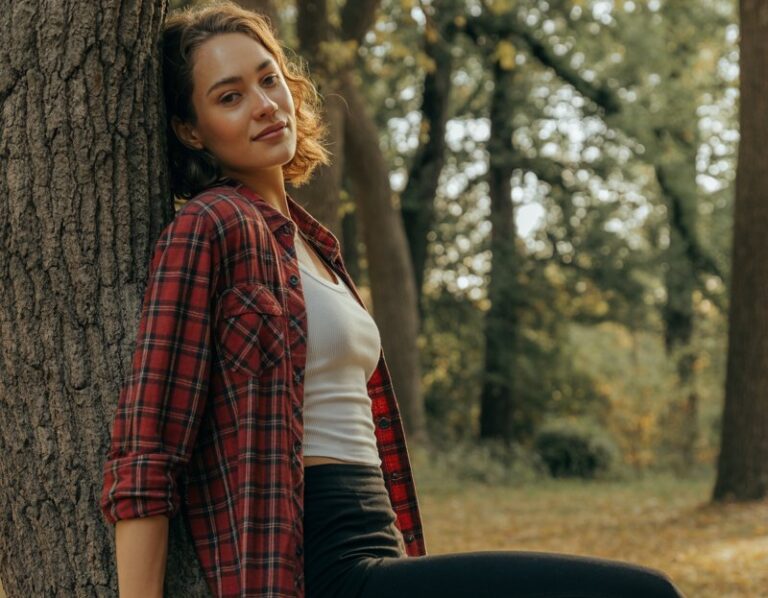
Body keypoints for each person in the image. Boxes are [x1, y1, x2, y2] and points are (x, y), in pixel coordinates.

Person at [99, 2, 686, 597]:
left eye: (268, 77)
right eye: (229, 97)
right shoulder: (211, 225)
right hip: (316, 569)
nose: (265, 105)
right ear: (190, 129)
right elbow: (147, 456)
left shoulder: (313, 242)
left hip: (380, 549)